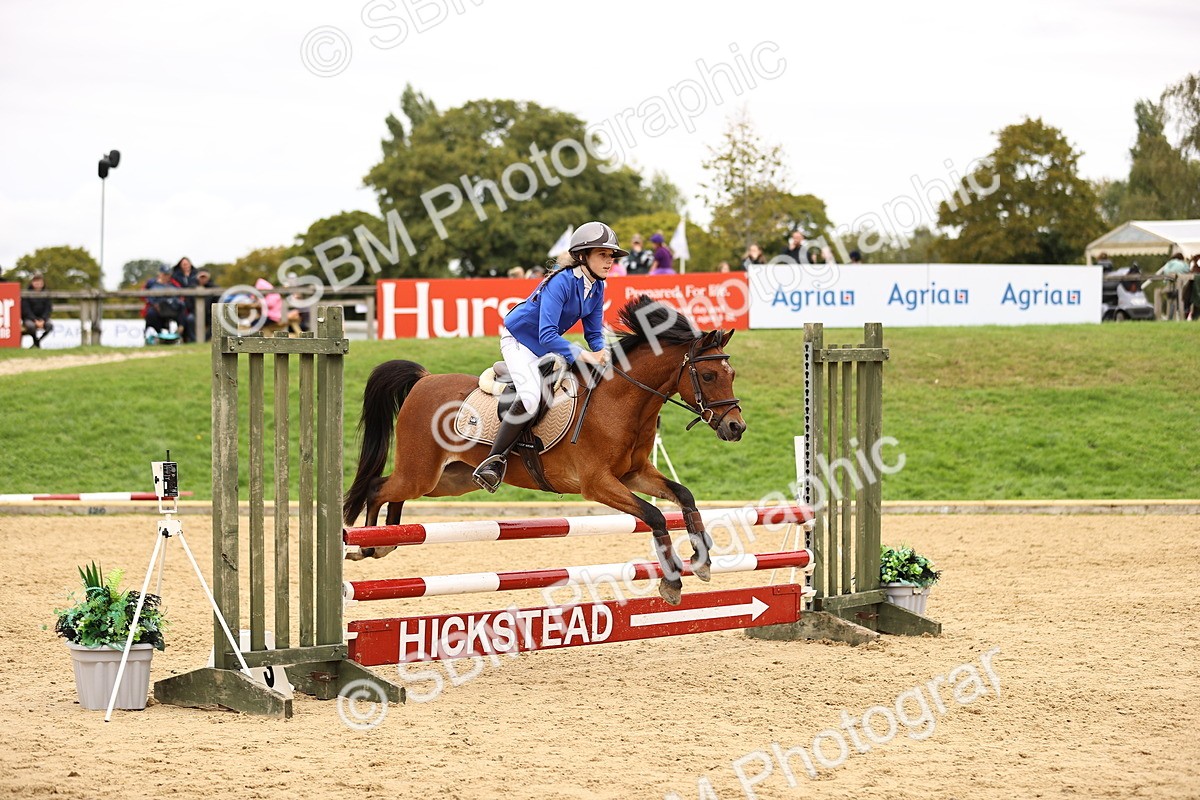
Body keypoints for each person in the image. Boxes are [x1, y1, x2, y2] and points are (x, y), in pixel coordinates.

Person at [471, 221, 622, 492]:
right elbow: (547, 335)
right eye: (603, 254)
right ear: (582, 256)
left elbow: (593, 334)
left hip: (545, 346)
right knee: (530, 396)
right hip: (519, 341)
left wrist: (603, 352)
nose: (609, 261)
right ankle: (493, 462)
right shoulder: (561, 282)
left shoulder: (597, 287)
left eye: (611, 256)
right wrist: (586, 356)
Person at [143, 266, 191, 343]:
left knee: (183, 311)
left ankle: (179, 332)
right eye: (164, 274)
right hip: (157, 309)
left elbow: (180, 297)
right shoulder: (152, 283)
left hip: (172, 308)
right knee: (151, 314)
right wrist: (154, 304)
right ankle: (159, 335)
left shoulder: (174, 284)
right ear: (160, 274)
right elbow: (145, 295)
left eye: (168, 274)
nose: (166, 276)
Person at [20, 272, 53, 348]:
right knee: (30, 326)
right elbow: (26, 310)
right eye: (36, 281)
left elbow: (48, 309)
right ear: (32, 283)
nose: (38, 284)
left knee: (50, 325)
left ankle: (37, 342)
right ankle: (36, 342)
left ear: (43, 283)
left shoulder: (46, 294)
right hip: (29, 319)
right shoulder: (26, 294)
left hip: (43, 319)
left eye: (40, 282)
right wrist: (35, 320)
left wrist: (43, 320)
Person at [171, 257, 199, 342]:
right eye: (183, 264)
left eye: (187, 263)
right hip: (181, 304)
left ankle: (190, 338)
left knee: (190, 319)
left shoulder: (196, 275)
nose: (185, 265)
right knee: (184, 316)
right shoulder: (176, 276)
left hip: (193, 304)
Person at [195, 269, 218, 341]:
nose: (203, 279)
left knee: (216, 321)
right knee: (190, 319)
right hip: (195, 313)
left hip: (210, 314)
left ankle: (204, 340)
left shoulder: (215, 288)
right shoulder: (193, 287)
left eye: (204, 277)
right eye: (201, 277)